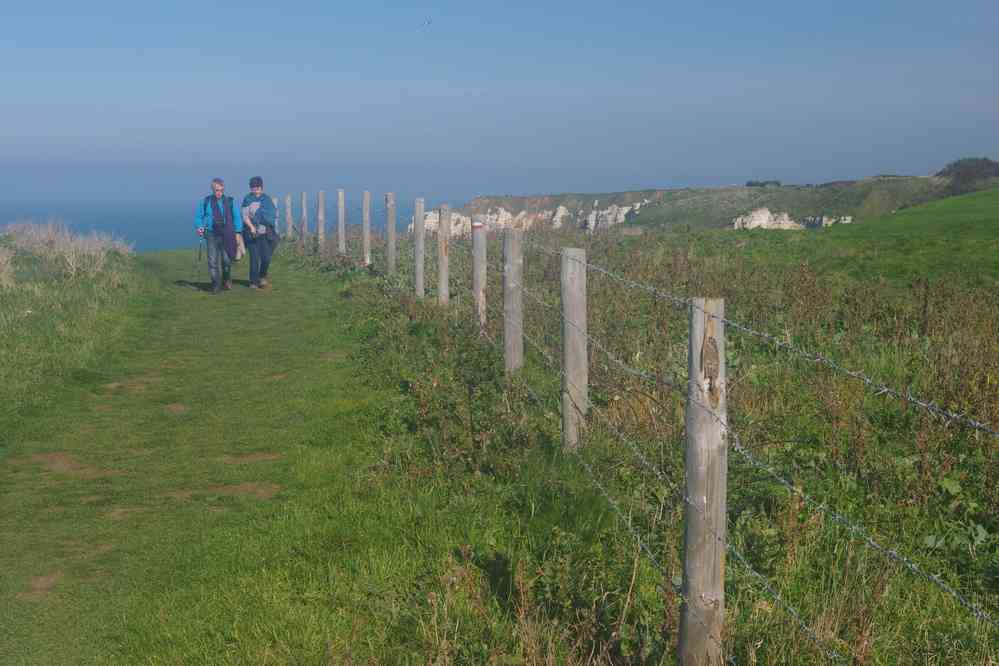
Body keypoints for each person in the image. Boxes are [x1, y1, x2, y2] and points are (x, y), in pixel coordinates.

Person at [194, 178, 243, 293]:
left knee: (226, 261)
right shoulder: (205, 202)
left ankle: (226, 279)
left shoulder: (230, 201)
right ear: (213, 189)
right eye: (217, 190)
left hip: (227, 234)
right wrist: (199, 226)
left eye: (221, 190)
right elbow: (198, 217)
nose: (219, 193)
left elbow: (237, 218)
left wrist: (238, 232)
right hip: (211, 233)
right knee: (212, 261)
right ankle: (216, 284)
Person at [240, 176, 279, 289]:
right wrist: (251, 227)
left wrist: (272, 227)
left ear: (261, 187)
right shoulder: (247, 199)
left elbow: (273, 214)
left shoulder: (267, 199)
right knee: (254, 258)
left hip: (265, 233)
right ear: (250, 188)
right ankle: (253, 282)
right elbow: (245, 216)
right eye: (253, 187)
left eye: (258, 186)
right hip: (251, 233)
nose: (256, 189)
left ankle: (262, 276)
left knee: (266, 258)